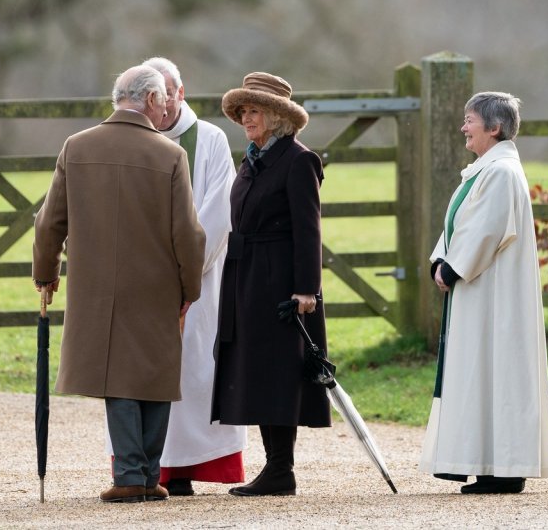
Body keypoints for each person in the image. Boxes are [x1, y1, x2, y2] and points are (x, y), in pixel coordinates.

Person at [32, 65, 206, 503]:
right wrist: (190, 288)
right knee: (155, 371)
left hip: (95, 285)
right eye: (163, 99)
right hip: (157, 283)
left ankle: (134, 475)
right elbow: (187, 233)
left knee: (118, 374)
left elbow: (49, 222)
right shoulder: (170, 155)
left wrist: (46, 274)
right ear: (149, 100)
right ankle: (142, 476)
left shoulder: (77, 147)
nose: (168, 105)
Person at [419, 91, 548, 494]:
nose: (463, 127)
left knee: (496, 372)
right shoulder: (487, 170)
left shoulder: (500, 173)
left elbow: (486, 230)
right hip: (481, 290)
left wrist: (452, 266)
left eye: (470, 120)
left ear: (494, 128)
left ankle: (504, 467)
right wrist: (441, 258)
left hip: (494, 296)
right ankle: (491, 463)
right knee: (484, 373)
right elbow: (463, 225)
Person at [211, 72, 331, 497]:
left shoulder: (299, 160)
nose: (246, 117)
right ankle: (275, 468)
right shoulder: (252, 158)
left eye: (255, 109)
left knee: (278, 371)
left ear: (278, 116)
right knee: (256, 370)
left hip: (280, 280)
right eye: (243, 110)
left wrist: (305, 289)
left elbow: (308, 229)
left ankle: (282, 470)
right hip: (245, 276)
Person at [141, 56, 247, 496]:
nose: (159, 106)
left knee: (195, 370)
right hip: (142, 281)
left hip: (198, 279)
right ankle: (142, 465)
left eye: (165, 96)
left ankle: (186, 466)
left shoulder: (210, 139)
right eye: (151, 98)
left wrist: (184, 272)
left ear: (180, 93)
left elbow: (218, 212)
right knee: (140, 368)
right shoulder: (130, 136)